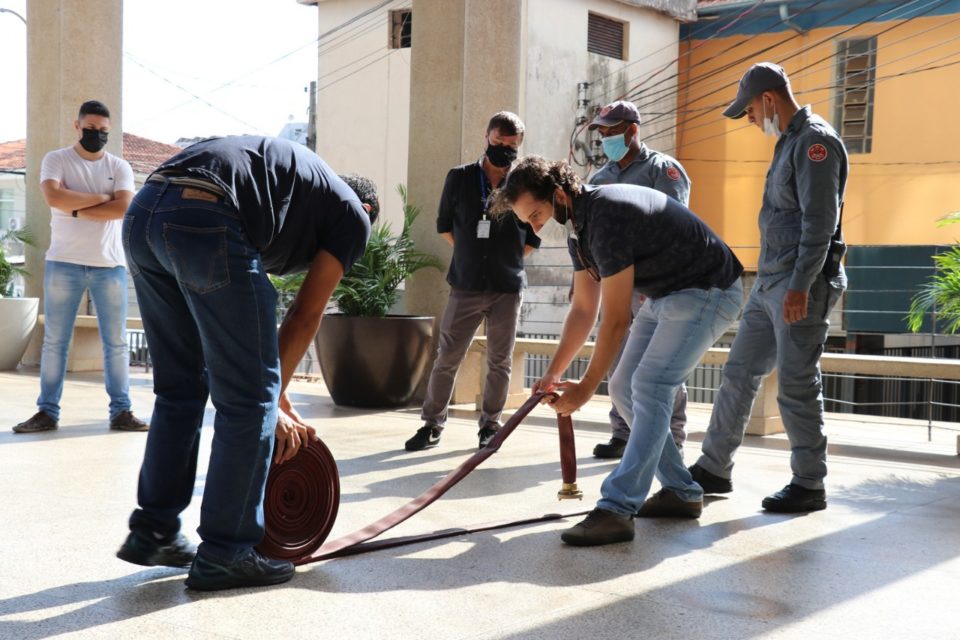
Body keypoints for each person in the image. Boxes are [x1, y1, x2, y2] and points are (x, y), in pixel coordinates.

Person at [115, 136, 374, 590]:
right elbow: (304, 313)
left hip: (142, 215)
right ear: (367, 211)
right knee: (249, 402)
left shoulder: (293, 192)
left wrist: (280, 394)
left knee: (180, 388)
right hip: (204, 216)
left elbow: (248, 341)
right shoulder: (354, 216)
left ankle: (153, 531)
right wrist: (268, 400)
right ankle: (226, 552)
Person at [495, 156, 743, 546]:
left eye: (537, 213)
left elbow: (614, 321)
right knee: (624, 386)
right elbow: (583, 308)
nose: (535, 225)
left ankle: (617, 507)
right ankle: (681, 491)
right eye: (527, 219)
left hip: (708, 288)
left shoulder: (606, 216)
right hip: (666, 294)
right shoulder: (579, 228)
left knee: (651, 384)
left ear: (558, 194)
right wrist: (554, 373)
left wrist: (586, 387)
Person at [688, 62, 848, 513]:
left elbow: (820, 223)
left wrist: (800, 286)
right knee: (738, 373)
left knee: (796, 385)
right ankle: (714, 467)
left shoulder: (815, 143)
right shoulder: (789, 142)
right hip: (769, 281)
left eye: (751, 112)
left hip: (801, 284)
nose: (751, 120)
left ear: (770, 100)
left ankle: (809, 484)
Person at [404, 112, 540, 452]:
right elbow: (445, 227)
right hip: (466, 284)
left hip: (507, 286)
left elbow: (534, 234)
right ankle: (432, 425)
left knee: (500, 360)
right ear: (486, 137)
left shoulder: (523, 183)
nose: (506, 151)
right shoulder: (460, 177)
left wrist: (504, 259)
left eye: (512, 146)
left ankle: (490, 426)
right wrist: (472, 254)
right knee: (447, 357)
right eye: (499, 143)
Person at [13, 100, 148, 434]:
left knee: (115, 343)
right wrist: (103, 198)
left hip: (109, 265)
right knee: (55, 341)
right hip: (64, 263)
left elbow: (124, 207)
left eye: (102, 131)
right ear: (77, 126)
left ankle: (121, 412)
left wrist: (77, 207)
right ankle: (47, 412)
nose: (96, 135)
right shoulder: (57, 159)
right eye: (90, 129)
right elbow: (54, 198)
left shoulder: (120, 167)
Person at [587, 99, 692, 459]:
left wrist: (658, 282)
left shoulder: (664, 170)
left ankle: (672, 437)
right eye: (602, 134)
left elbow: (674, 228)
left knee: (662, 363)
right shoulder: (600, 179)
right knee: (617, 357)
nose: (605, 140)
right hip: (617, 284)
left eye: (612, 132)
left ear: (633, 130)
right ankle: (622, 432)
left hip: (657, 285)